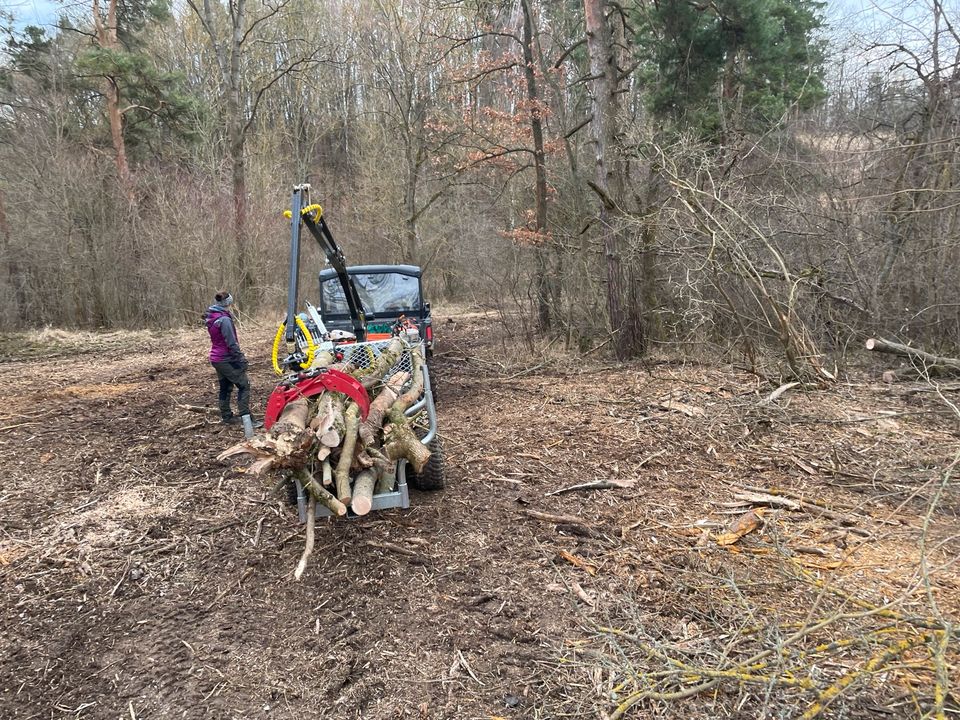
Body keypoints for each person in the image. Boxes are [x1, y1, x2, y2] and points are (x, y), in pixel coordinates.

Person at [204, 291, 252, 425]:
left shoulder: (212, 316)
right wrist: (240, 358)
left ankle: (227, 417)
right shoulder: (224, 320)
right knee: (244, 385)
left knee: (225, 386)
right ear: (229, 303)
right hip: (225, 358)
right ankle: (246, 418)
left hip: (216, 358)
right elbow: (231, 343)